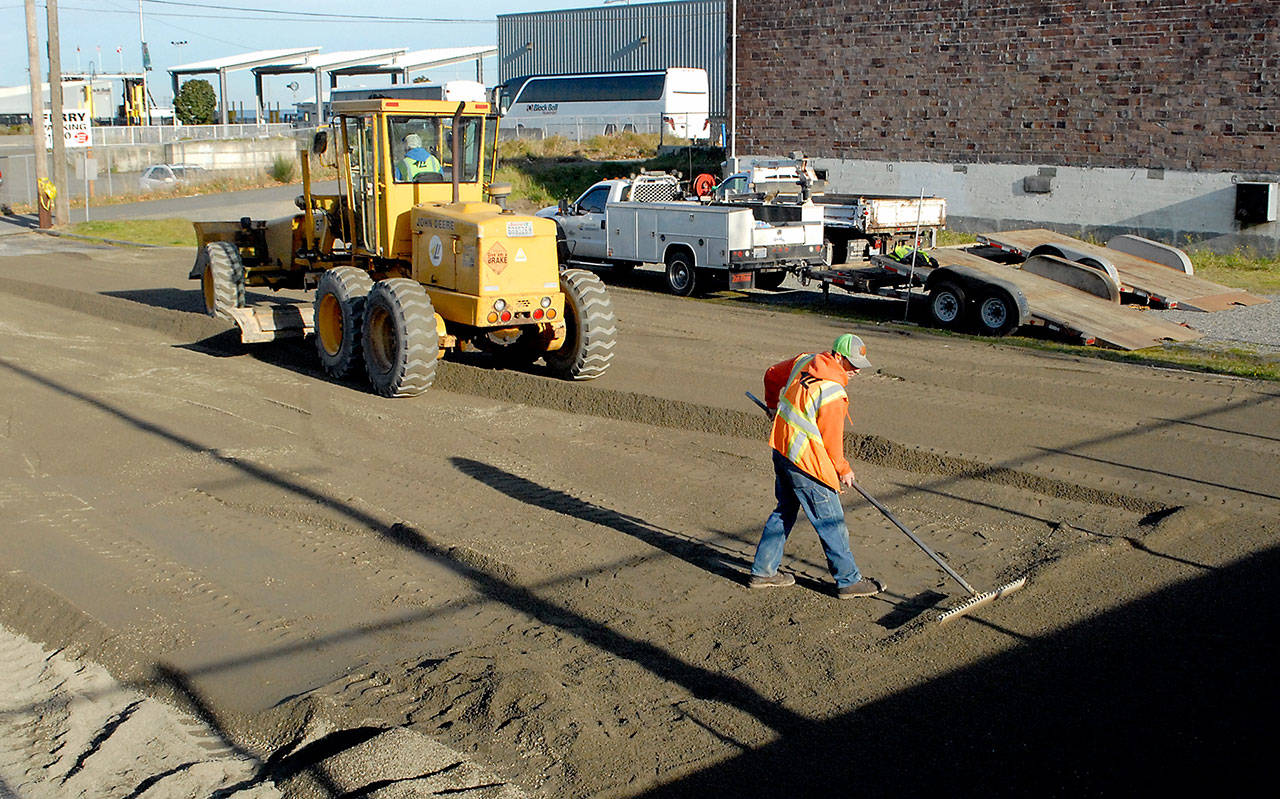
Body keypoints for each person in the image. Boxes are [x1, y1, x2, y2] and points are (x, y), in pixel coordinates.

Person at [749, 333, 883, 599]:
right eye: (852, 364)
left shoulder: (805, 361)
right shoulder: (833, 393)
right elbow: (832, 442)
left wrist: (773, 405)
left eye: (859, 365)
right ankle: (848, 581)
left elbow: (772, 374)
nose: (856, 370)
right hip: (807, 465)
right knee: (831, 521)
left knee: (785, 511)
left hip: (783, 450)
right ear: (837, 356)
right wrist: (843, 469)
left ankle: (763, 572)